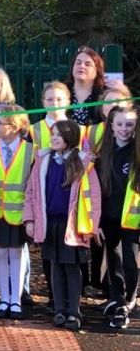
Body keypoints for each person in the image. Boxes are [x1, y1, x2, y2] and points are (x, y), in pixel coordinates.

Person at [24, 120, 101, 331]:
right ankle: (59, 309)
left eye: (59, 134)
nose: (54, 137)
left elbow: (93, 197)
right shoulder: (43, 161)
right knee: (55, 267)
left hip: (73, 225)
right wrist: (29, 220)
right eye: (53, 134)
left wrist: (92, 226)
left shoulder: (83, 163)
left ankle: (73, 311)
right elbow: (31, 192)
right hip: (50, 223)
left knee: (72, 268)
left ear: (70, 137)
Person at [0, 104, 34, 320]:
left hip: (18, 212)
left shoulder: (31, 150)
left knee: (16, 253)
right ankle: (3, 298)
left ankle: (16, 299)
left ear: (15, 126)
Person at [94, 106, 140, 329]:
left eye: (129, 124)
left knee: (131, 263)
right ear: (111, 125)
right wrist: (99, 220)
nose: (124, 129)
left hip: (132, 219)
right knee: (113, 260)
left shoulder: (137, 152)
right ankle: (119, 300)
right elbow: (98, 191)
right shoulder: (103, 153)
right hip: (109, 218)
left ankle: (131, 297)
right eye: (120, 124)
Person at [82, 83, 132, 155]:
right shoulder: (91, 131)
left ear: (129, 105)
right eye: (108, 102)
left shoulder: (136, 130)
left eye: (118, 101)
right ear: (102, 108)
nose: (113, 105)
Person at [65, 47, 106, 126]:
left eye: (88, 64)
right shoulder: (61, 92)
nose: (82, 66)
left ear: (97, 70)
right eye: (78, 63)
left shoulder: (104, 95)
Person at [29, 82, 71, 150]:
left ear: (68, 102)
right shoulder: (31, 130)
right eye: (49, 99)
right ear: (43, 103)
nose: (54, 103)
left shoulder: (80, 130)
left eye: (59, 99)